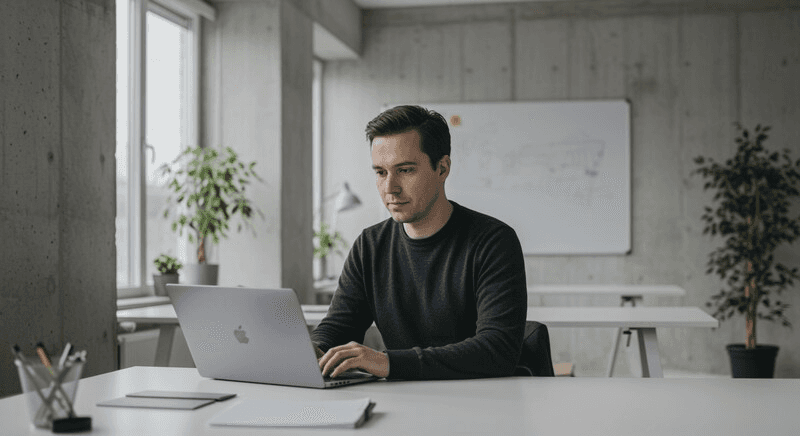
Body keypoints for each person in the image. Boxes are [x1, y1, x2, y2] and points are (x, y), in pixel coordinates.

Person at [312, 105, 527, 380]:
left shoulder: (493, 242)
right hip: (404, 402)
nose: (390, 187)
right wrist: (313, 349)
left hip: (483, 404)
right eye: (380, 172)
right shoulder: (370, 245)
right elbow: (338, 327)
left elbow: (497, 350)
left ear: (442, 168)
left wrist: (387, 363)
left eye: (405, 170)